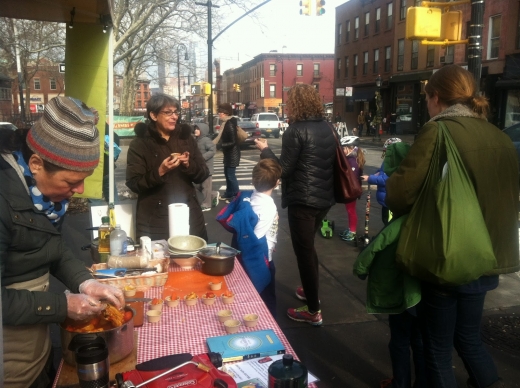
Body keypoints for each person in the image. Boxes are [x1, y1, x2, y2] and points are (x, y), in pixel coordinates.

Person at [386, 65, 519, 388]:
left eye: (427, 98)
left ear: (435, 97)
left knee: (437, 349)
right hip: (489, 257)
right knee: (469, 338)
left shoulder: (438, 131)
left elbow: (401, 194)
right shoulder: (499, 136)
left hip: (449, 255)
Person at [0, 96, 125, 388]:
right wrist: (61, 304)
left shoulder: (42, 198)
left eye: (84, 180)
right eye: (71, 182)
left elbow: (52, 248)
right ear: (36, 164)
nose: (78, 190)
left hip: (35, 345)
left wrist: (85, 282)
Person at [254, 83, 336, 326]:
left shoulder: (295, 131)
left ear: (296, 104)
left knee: (304, 254)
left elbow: (283, 170)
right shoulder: (328, 127)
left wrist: (266, 150)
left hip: (303, 199)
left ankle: (313, 311)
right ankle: (312, 293)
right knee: (309, 248)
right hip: (324, 198)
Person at [126, 94, 209, 241]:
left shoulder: (186, 138)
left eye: (176, 112)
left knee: (192, 260)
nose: (174, 117)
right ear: (153, 115)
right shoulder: (139, 144)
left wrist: (189, 165)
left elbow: (203, 173)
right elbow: (134, 183)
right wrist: (160, 171)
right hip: (156, 219)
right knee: (161, 261)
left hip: (189, 214)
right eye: (168, 112)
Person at [216, 159, 281, 317]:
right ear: (277, 183)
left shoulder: (248, 198)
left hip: (241, 253)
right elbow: (255, 237)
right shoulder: (269, 206)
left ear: (253, 180)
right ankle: (268, 323)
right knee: (266, 296)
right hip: (261, 259)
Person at [361, 138, 405, 226]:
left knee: (389, 222)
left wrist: (370, 178)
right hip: (386, 198)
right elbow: (382, 171)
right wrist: (376, 174)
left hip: (390, 199)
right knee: (385, 219)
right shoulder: (390, 160)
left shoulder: (395, 163)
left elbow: (386, 179)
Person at [338, 136, 365, 242]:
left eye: (344, 149)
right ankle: (351, 229)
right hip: (352, 189)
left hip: (352, 190)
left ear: (350, 148)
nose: (342, 151)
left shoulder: (352, 161)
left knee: (351, 210)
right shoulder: (352, 158)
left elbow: (351, 177)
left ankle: (352, 231)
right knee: (350, 210)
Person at [217, 102, 240, 203]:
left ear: (226, 113)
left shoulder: (229, 124)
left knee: (231, 175)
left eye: (221, 112)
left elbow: (233, 141)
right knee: (227, 174)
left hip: (232, 154)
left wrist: (221, 145)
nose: (219, 114)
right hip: (228, 154)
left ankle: (235, 196)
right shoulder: (225, 123)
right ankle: (229, 193)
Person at [193, 122, 215, 212]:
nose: (195, 130)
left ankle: (207, 205)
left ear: (203, 130)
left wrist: (202, 157)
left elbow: (212, 150)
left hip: (207, 168)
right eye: (195, 128)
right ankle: (213, 195)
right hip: (199, 168)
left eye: (197, 129)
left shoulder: (206, 140)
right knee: (197, 185)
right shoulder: (196, 140)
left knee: (206, 187)